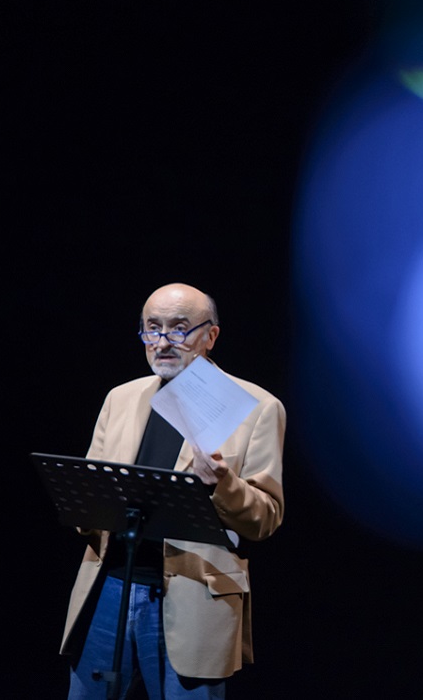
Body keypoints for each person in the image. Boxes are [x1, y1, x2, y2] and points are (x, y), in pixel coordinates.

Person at [61, 283, 285, 699]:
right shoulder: (121, 398)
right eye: (152, 328)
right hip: (109, 588)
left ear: (210, 336)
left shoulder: (256, 407)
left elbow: (266, 517)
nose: (163, 342)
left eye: (179, 329)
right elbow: (90, 496)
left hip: (194, 598)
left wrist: (223, 484)